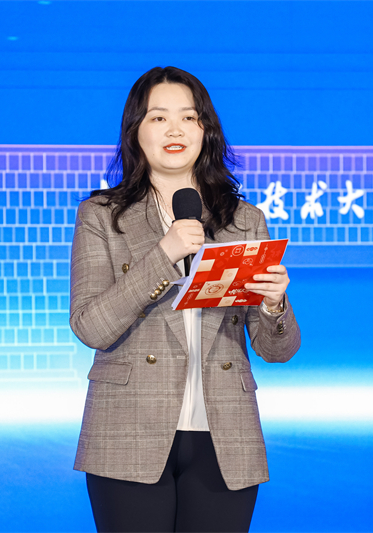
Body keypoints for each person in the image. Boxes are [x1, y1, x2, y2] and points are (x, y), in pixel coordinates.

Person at [69, 66, 301, 533]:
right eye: (158, 118)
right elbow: (90, 326)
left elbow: (277, 350)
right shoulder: (101, 216)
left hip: (226, 435)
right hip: (127, 431)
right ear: (135, 132)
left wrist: (274, 305)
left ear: (205, 130)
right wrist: (164, 254)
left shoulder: (244, 220)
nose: (174, 130)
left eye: (188, 117)